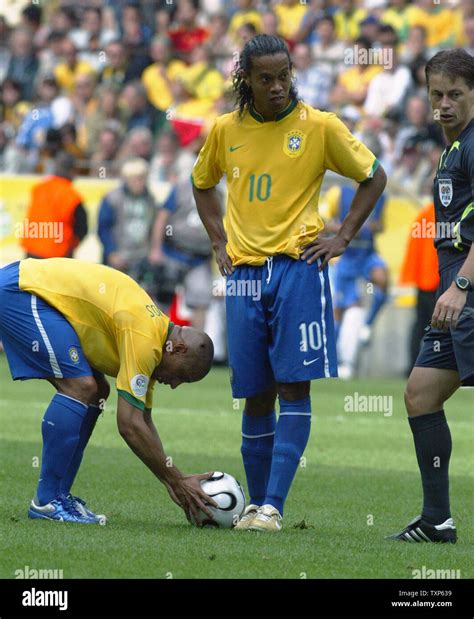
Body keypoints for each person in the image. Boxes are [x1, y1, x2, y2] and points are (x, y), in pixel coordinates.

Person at [192, 35, 387, 532]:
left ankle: (274, 507)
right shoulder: (224, 130)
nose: (278, 87)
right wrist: (218, 242)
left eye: (284, 77)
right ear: (246, 80)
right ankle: (254, 508)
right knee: (255, 392)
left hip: (298, 268)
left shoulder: (319, 126)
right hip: (243, 275)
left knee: (292, 386)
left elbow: (373, 176)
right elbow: (202, 183)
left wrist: (342, 236)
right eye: (266, 79)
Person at [0, 257, 216, 525]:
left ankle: (59, 496)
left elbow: (142, 419)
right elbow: (128, 424)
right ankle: (46, 501)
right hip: (22, 291)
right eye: (182, 377)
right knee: (81, 387)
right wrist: (176, 480)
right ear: (180, 350)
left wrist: (173, 479)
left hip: (28, 288)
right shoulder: (146, 339)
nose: (173, 384)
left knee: (97, 391)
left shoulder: (157, 338)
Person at [387, 49, 474, 544]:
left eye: (455, 94)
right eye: (436, 94)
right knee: (420, 394)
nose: (444, 103)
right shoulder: (452, 147)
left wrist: (461, 285)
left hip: (466, 291)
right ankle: (437, 519)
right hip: (454, 295)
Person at [322, 181, 388, 379]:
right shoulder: (338, 191)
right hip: (344, 256)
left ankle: (367, 325)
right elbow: (323, 222)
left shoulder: (379, 192)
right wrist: (348, 228)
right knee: (342, 309)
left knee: (382, 280)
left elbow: (381, 225)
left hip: (367, 253)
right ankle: (334, 360)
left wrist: (371, 227)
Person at [98, 158, 157, 280]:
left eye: (142, 178)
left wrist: (153, 250)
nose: (139, 182)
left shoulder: (150, 200)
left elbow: (153, 227)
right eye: (135, 179)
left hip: (141, 257)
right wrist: (111, 252)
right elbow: (103, 228)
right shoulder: (112, 199)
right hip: (119, 256)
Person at [20, 152, 88, 259]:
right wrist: (71, 246)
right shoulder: (72, 196)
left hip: (31, 252)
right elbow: (82, 228)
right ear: (72, 170)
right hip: (57, 255)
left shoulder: (38, 188)